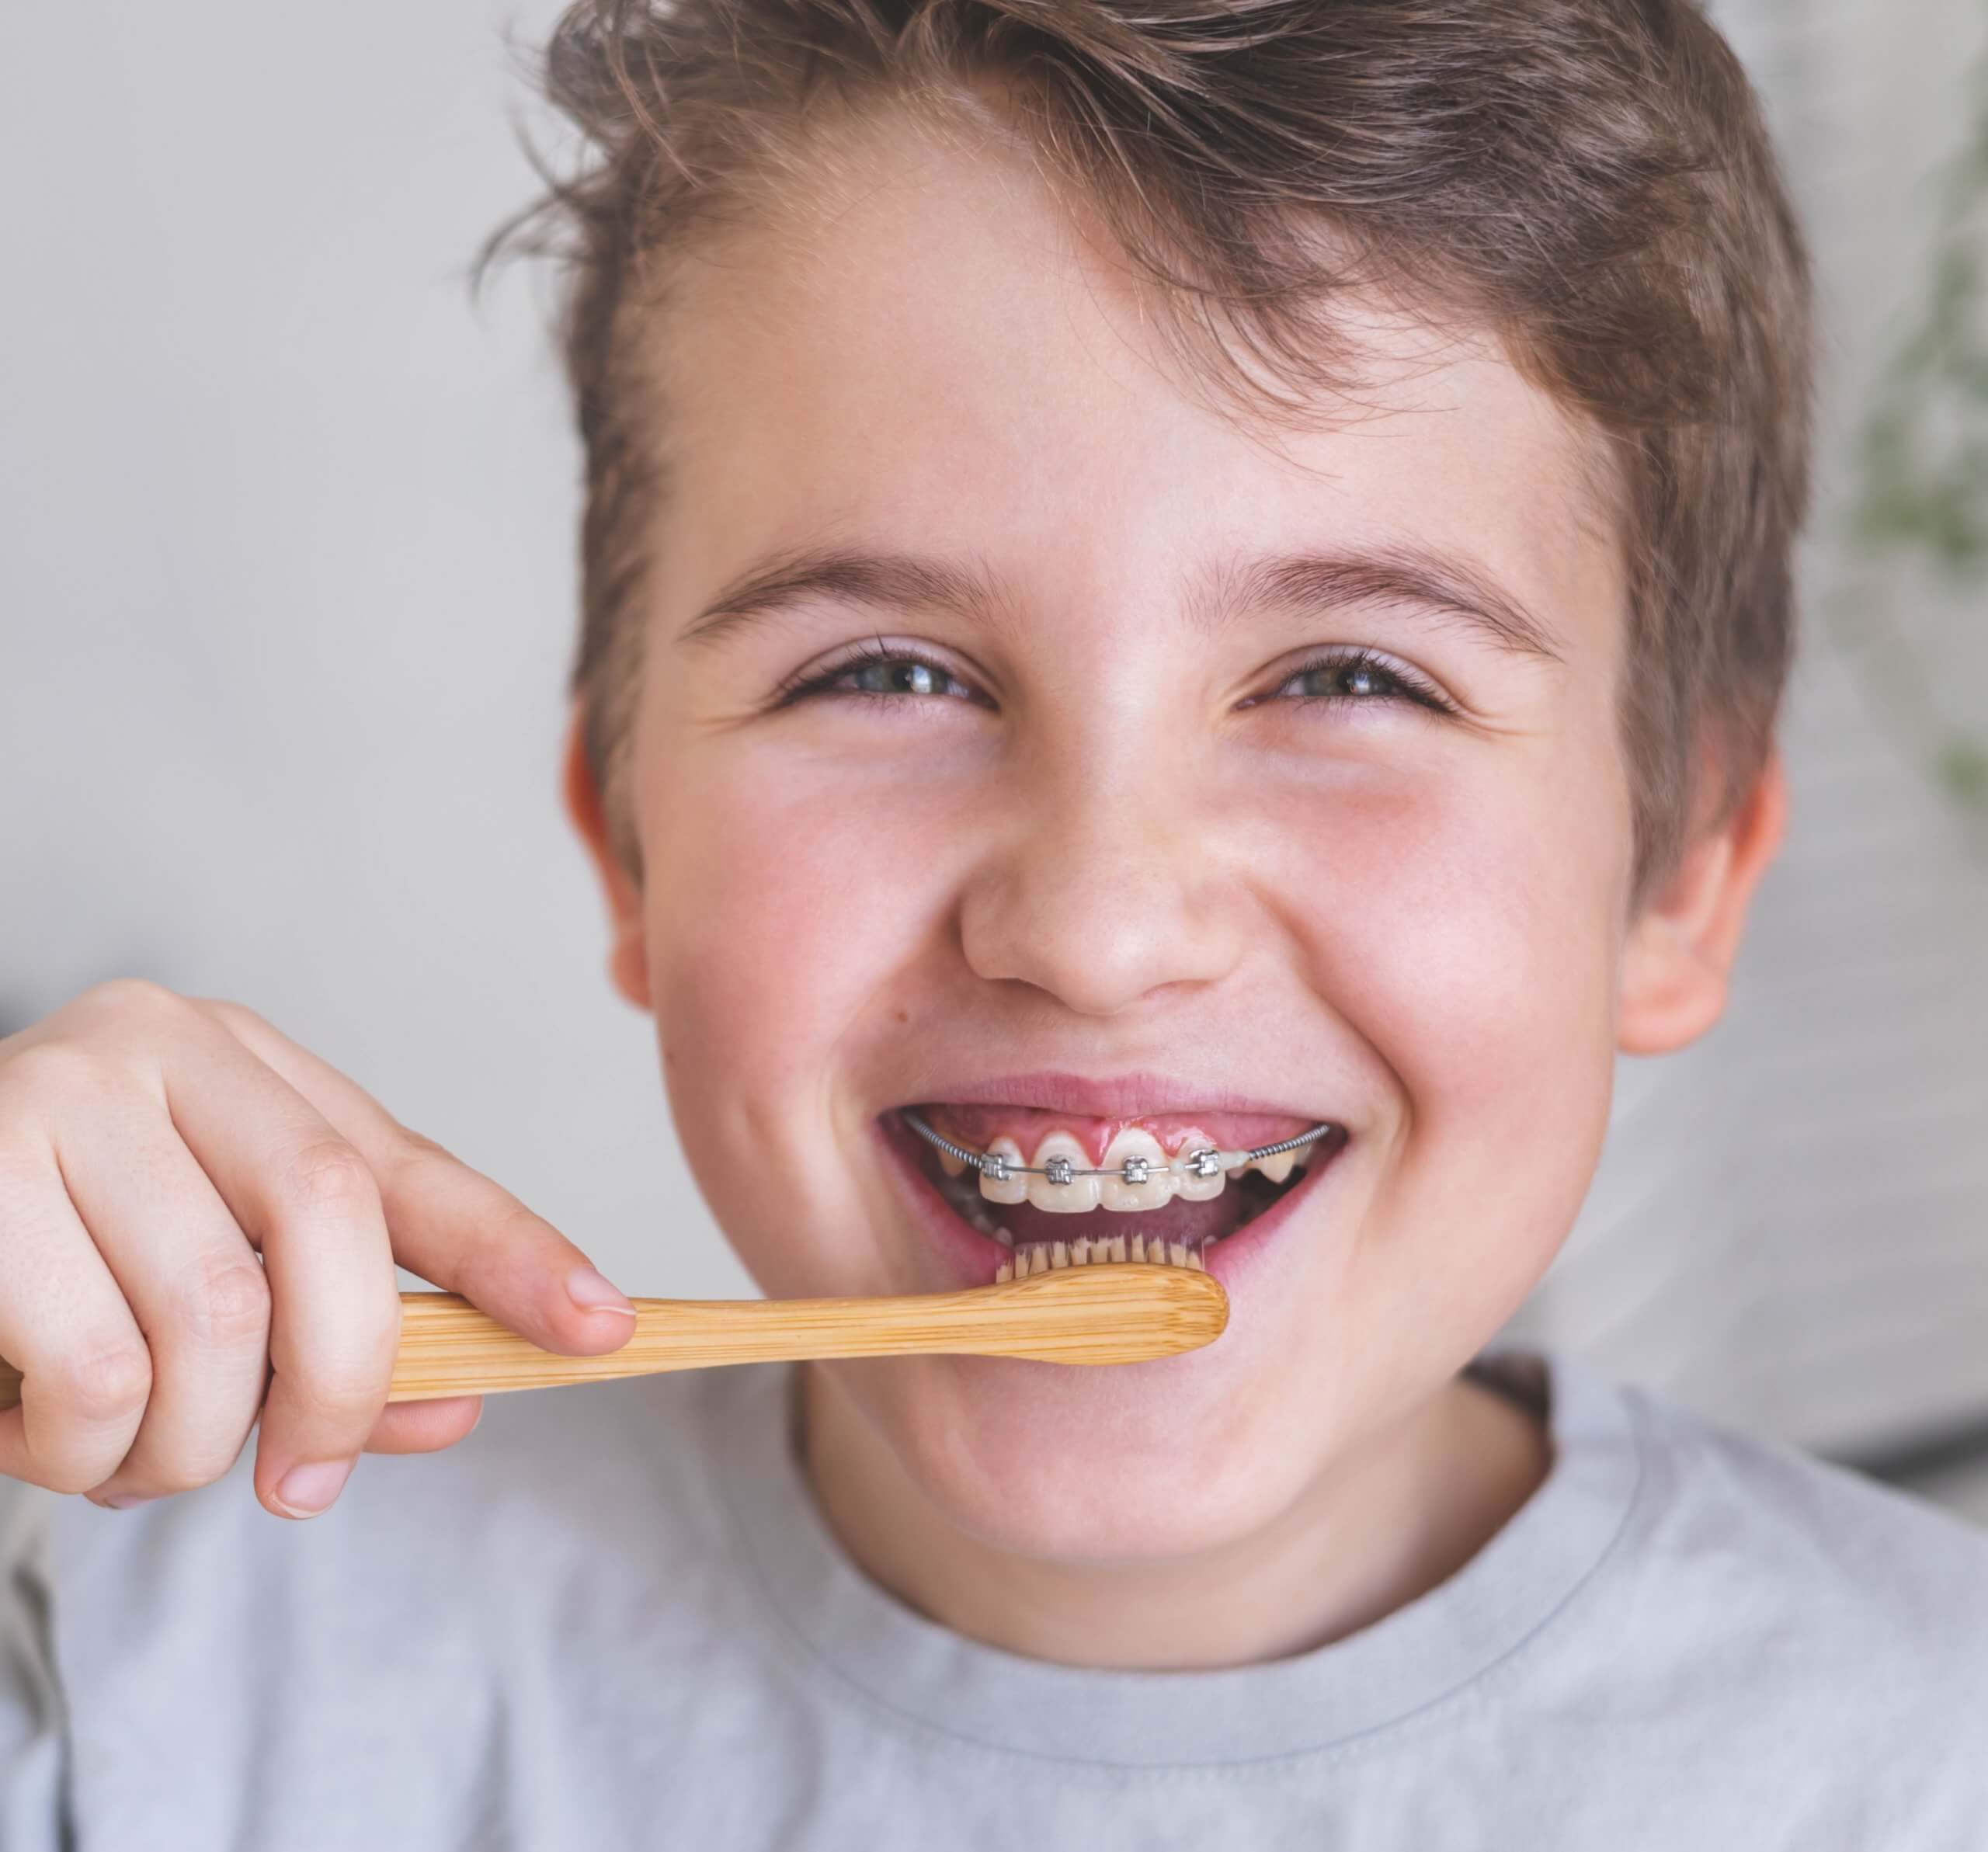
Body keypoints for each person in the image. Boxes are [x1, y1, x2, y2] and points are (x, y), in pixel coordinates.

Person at [2, 2, 1984, 1844]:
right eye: (887, 674)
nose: (1099, 921)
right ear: (626, 834)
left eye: (1352, 679)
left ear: (1682, 869)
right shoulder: (164, 1675)